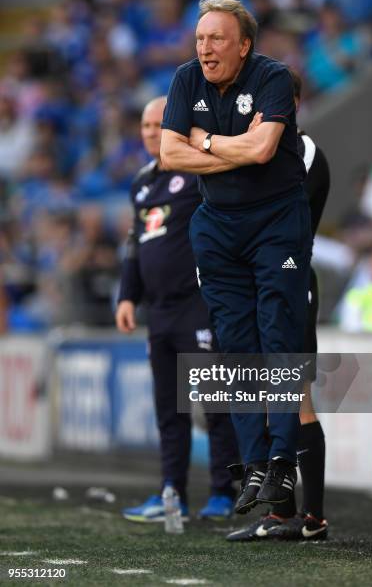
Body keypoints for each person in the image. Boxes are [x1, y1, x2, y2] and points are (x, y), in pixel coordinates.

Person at [160, 0, 312, 516]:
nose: (206, 49)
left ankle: (281, 463)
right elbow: (167, 153)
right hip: (218, 227)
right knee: (235, 347)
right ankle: (253, 470)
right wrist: (227, 146)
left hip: (276, 223)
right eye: (201, 39)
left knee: (279, 336)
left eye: (217, 39)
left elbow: (265, 150)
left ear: (243, 45)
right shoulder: (185, 79)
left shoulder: (272, 78)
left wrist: (202, 142)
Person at [116, 96, 239, 521]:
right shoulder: (141, 183)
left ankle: (224, 491)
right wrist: (127, 296)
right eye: (146, 125)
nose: (151, 132)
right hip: (159, 311)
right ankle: (172, 494)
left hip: (198, 305)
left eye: (159, 124)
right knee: (168, 409)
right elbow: (136, 246)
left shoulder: (197, 170)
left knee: (214, 402)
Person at [226, 69, 330, 541]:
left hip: (287, 281)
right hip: (252, 284)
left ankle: (314, 517)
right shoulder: (254, 150)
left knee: (294, 393)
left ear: (292, 103)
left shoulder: (304, 154)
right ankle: (280, 515)